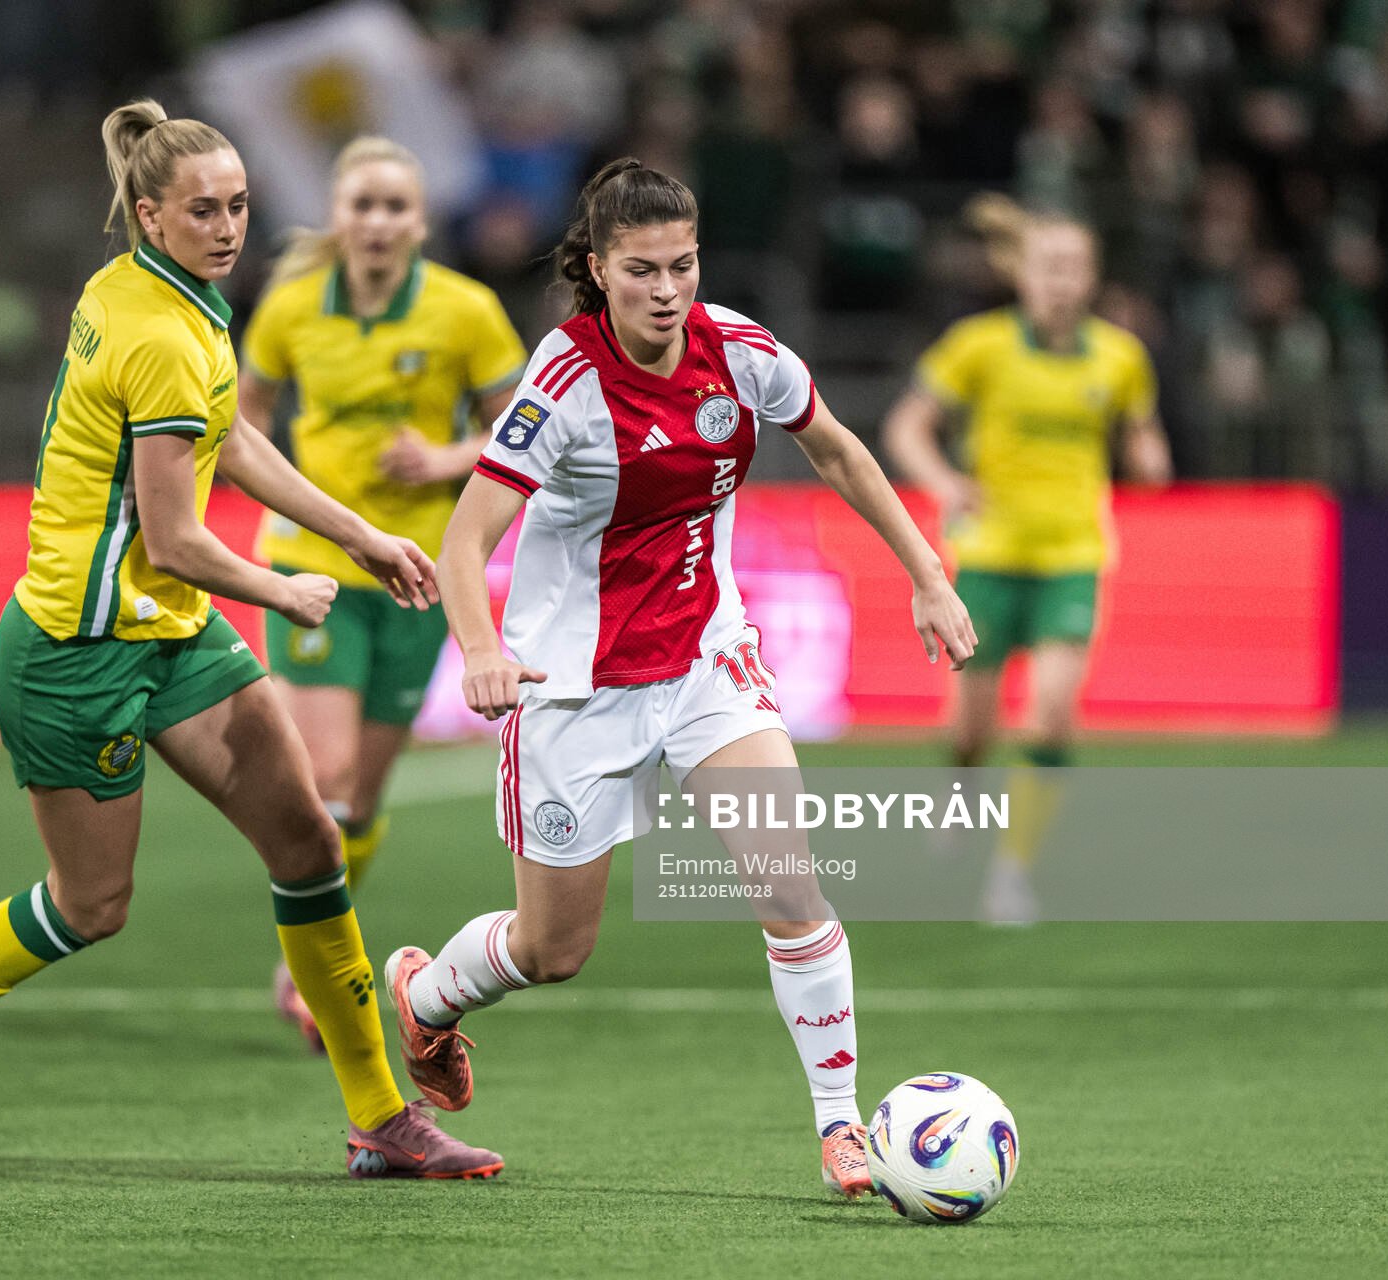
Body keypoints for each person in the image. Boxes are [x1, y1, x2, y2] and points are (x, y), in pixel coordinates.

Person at [0, 99, 502, 1180]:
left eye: (241, 205)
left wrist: (360, 531)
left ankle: (381, 1115)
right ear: (151, 212)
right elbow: (174, 534)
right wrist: (283, 589)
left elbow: (232, 435)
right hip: (75, 650)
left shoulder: (174, 295)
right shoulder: (153, 330)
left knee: (310, 844)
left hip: (168, 635)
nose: (231, 226)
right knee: (92, 904)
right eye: (206, 210)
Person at [381, 158, 976, 1198]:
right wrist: (479, 648)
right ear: (600, 270)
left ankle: (842, 1127)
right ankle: (430, 995)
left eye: (684, 265)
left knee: (789, 881)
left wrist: (926, 573)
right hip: (574, 686)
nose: (668, 289)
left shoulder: (739, 350)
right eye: (644, 269)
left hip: (707, 659)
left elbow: (837, 450)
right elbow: (468, 537)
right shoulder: (562, 384)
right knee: (554, 945)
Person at [238, 136, 527, 1050]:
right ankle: (318, 969)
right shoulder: (287, 311)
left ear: (420, 221)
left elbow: (526, 431)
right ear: (338, 215)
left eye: (395, 206)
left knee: (359, 795)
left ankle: (305, 959)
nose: (376, 222)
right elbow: (241, 422)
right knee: (322, 777)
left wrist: (441, 459)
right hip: (310, 559)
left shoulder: (465, 311)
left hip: (418, 568)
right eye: (361, 204)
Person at [883, 195, 1171, 923]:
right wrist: (945, 480)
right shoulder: (979, 345)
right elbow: (907, 427)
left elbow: (1141, 442)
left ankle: (1012, 873)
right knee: (971, 732)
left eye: (1074, 267)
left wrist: (1149, 457)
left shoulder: (1122, 356)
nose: (1061, 280)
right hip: (987, 556)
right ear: (1024, 274)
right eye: (1049, 266)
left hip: (1074, 554)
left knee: (1048, 721)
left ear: (1093, 276)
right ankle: (961, 793)